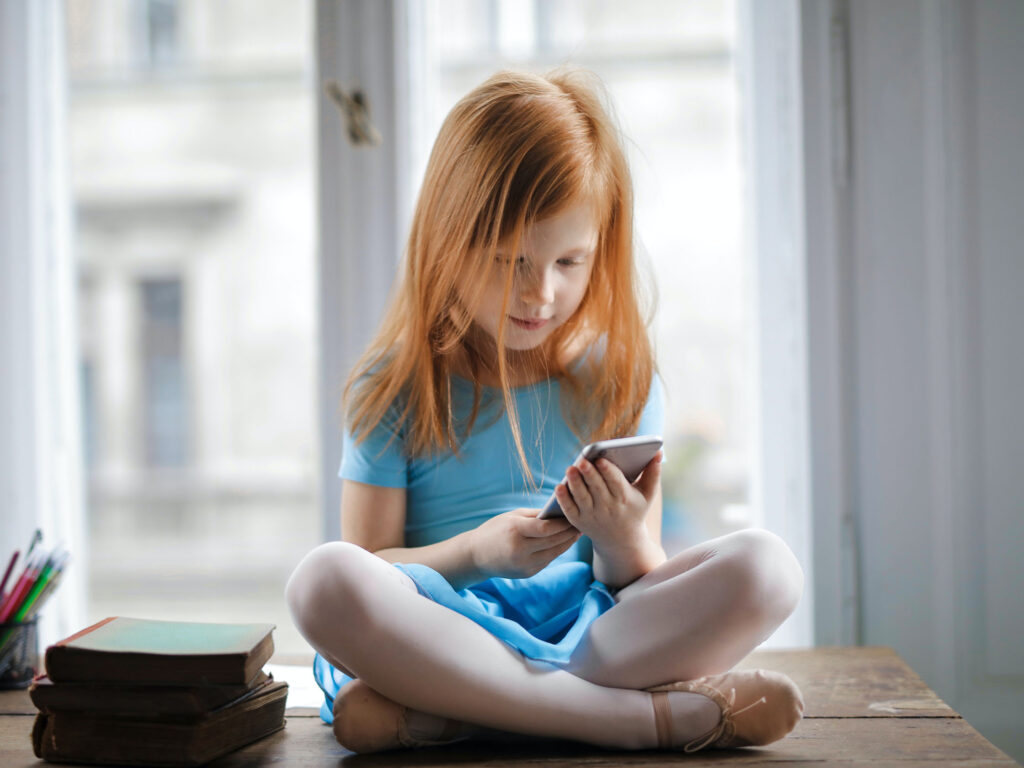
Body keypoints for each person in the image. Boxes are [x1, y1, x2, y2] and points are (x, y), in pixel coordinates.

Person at [286, 67, 805, 754]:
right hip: (446, 627)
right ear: (448, 244)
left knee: (768, 567)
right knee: (322, 582)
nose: (540, 293)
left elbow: (634, 586)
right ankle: (641, 721)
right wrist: (479, 553)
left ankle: (462, 715)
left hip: (589, 632)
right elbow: (372, 564)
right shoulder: (398, 385)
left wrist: (621, 540)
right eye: (509, 261)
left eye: (569, 261)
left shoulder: (620, 377)